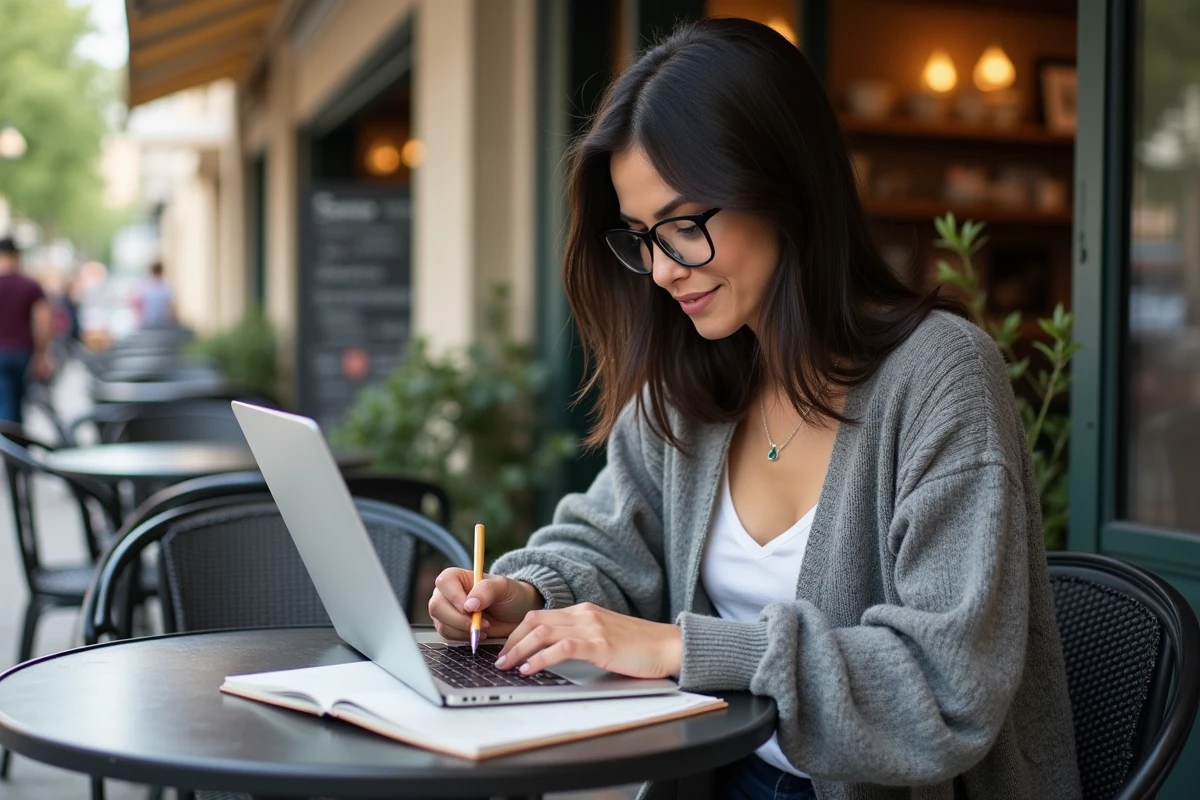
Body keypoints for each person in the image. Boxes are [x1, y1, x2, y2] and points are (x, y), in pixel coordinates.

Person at [428, 19, 1079, 800]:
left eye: (684, 226)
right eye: (641, 237)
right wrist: (526, 594)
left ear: (783, 189)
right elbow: (611, 542)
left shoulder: (940, 376)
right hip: (718, 775)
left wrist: (683, 650)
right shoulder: (690, 378)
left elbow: (945, 682)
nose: (662, 271)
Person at [0, 237, 52, 424]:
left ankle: (9, 437)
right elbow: (44, 322)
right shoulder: (30, 285)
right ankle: (14, 437)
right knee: (17, 402)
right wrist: (42, 355)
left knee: (4, 402)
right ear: (17, 256)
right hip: (22, 351)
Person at [134, 261, 176, 328]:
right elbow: (171, 307)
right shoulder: (167, 286)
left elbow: (138, 304)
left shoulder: (144, 285)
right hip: (162, 322)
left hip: (147, 322)